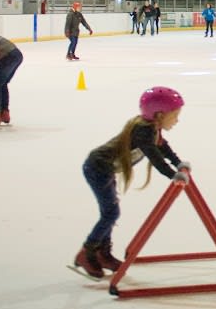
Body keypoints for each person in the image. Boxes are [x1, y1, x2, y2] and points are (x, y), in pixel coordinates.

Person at [73, 86, 188, 280]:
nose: (177, 120)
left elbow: (162, 147)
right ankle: (87, 252)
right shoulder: (143, 132)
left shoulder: (152, 128)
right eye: (174, 115)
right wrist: (172, 174)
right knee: (111, 213)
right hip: (97, 168)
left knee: (109, 212)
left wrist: (178, 163)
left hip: (105, 169)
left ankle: (103, 254)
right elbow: (155, 157)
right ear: (159, 114)